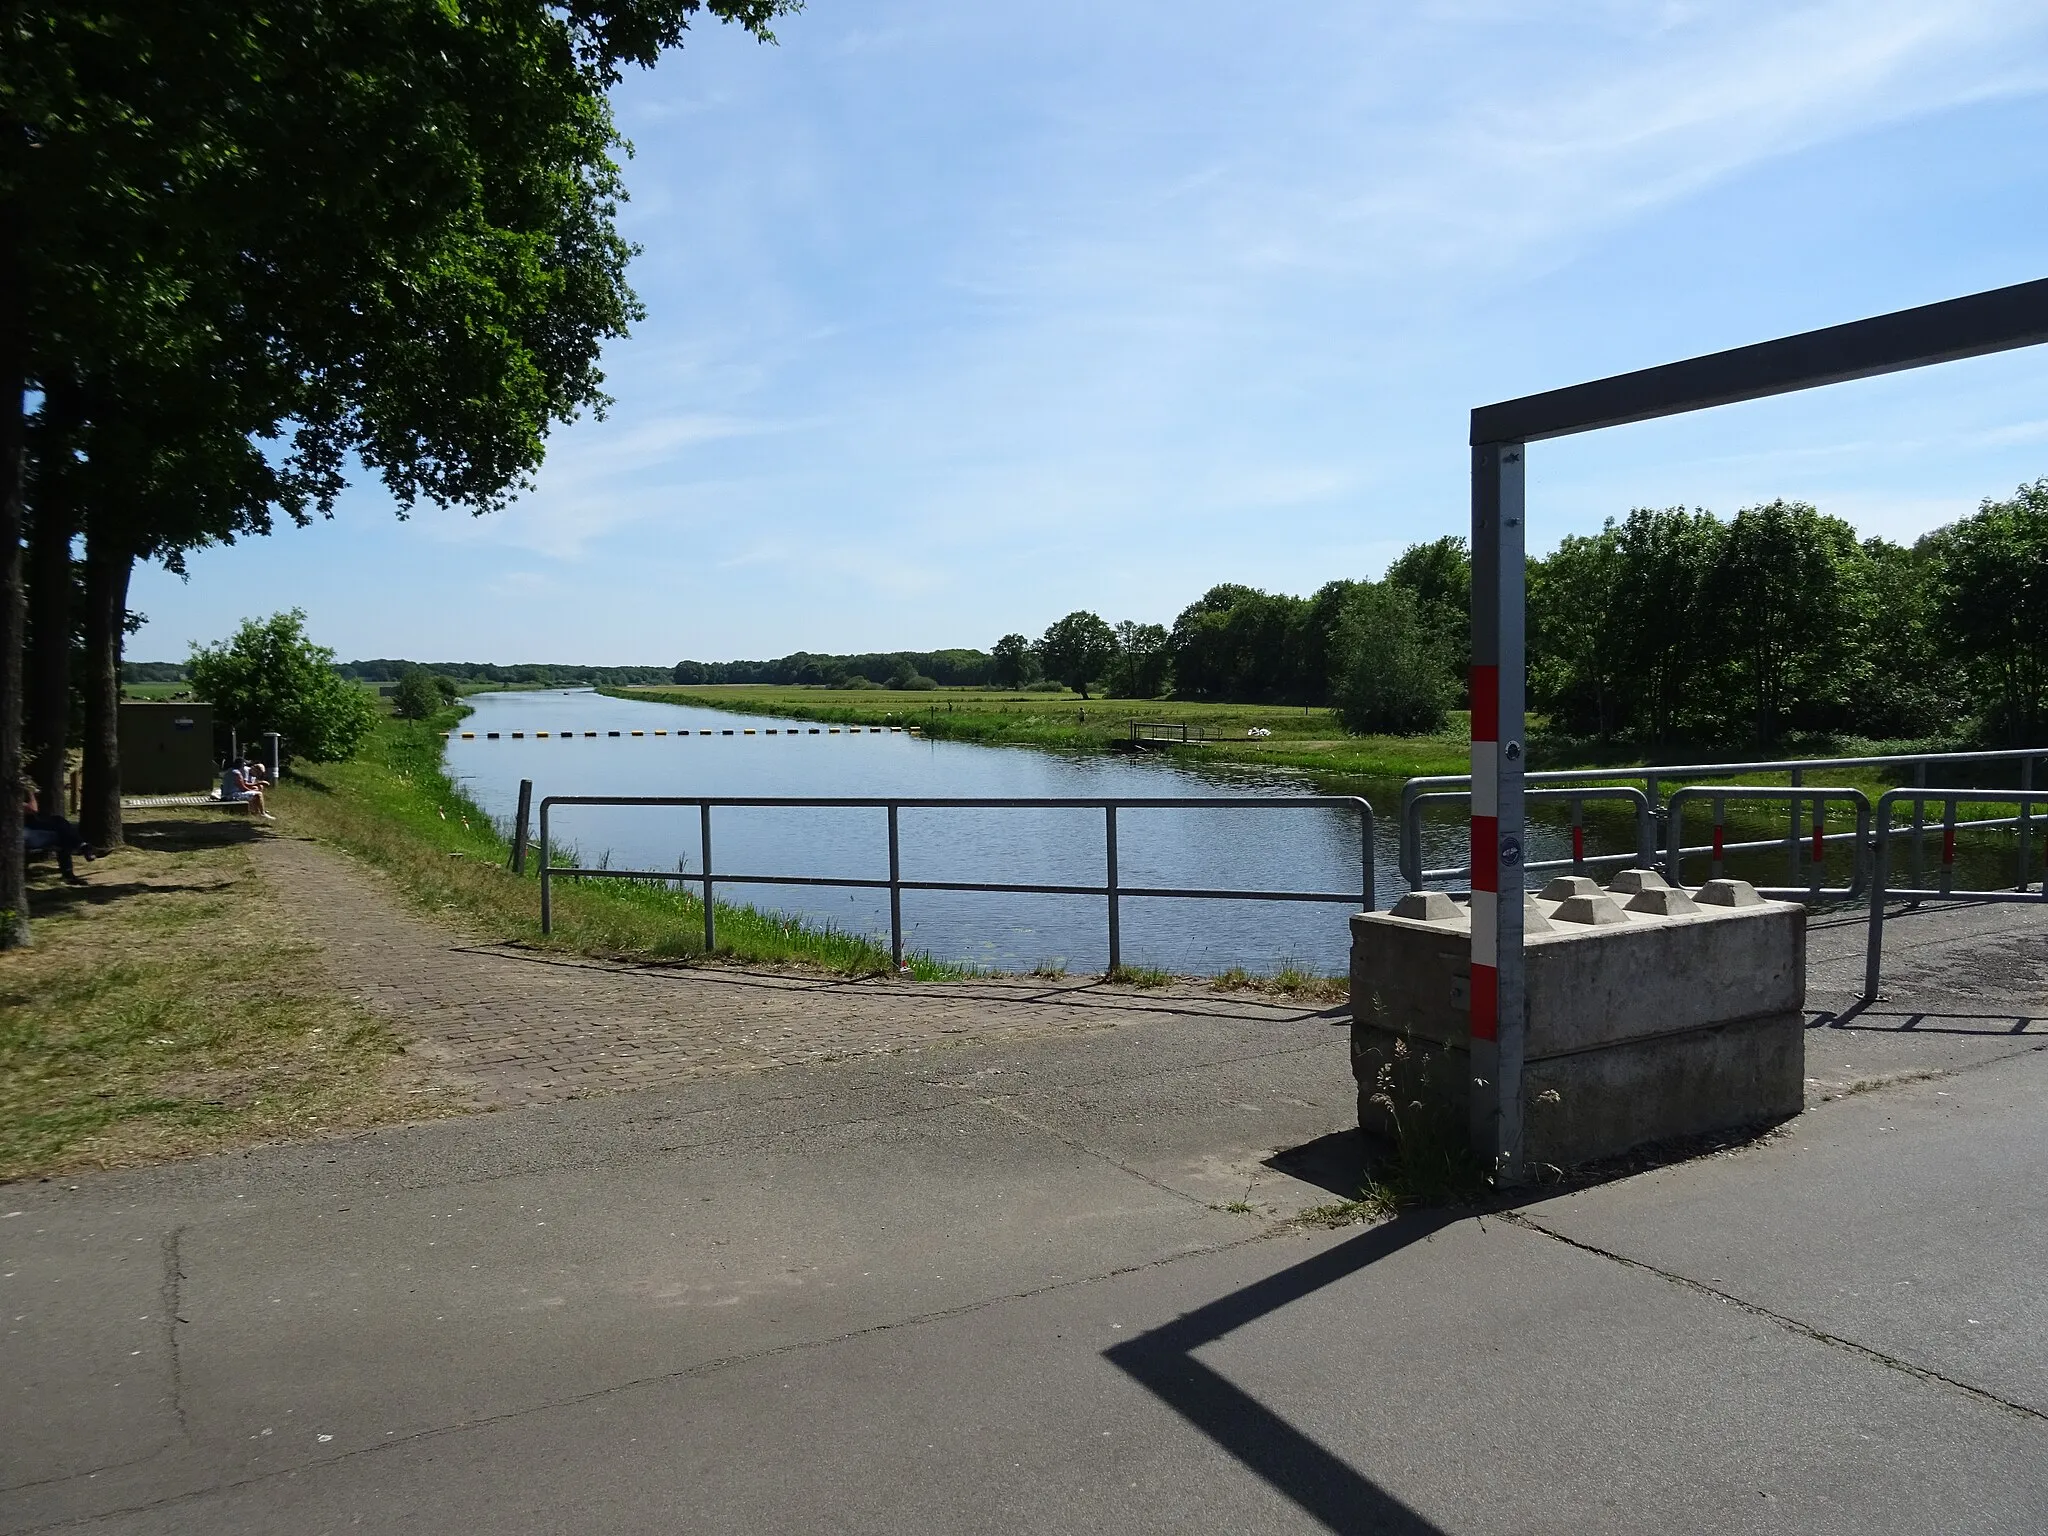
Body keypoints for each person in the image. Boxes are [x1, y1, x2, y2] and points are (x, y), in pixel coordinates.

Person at [22, 782, 90, 885]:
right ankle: (83, 849)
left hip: (27, 828)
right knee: (62, 836)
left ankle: (83, 847)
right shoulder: (7, 797)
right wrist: (30, 792)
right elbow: (32, 809)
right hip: (19, 834)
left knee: (59, 822)